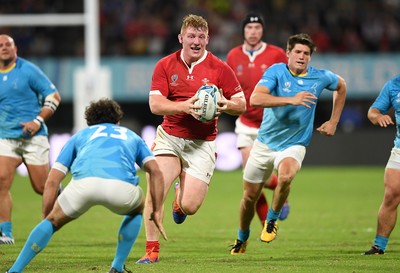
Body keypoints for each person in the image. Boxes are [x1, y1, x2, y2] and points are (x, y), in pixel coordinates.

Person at [5, 98, 167, 273]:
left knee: (52, 221)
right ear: (118, 121)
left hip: (83, 187)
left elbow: (52, 180)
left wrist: (47, 217)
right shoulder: (131, 135)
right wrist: (156, 210)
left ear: (89, 122)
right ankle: (117, 266)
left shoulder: (81, 135)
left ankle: (15, 270)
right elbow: (156, 172)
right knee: (137, 208)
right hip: (120, 189)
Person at [136, 14, 246, 264]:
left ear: (207, 39)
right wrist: (185, 106)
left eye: (200, 36)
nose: (196, 41)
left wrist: (225, 104)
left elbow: (241, 104)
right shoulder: (165, 64)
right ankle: (151, 251)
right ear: (181, 38)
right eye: (191, 36)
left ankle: (180, 199)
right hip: (170, 138)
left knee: (191, 206)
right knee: (154, 192)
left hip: (202, 143)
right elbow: (155, 104)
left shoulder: (220, 68)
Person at [230, 33, 347, 254]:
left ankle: (271, 221)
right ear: (288, 53)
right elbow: (255, 99)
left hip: (295, 143)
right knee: (249, 197)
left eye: (306, 53)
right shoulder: (276, 72)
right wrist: (291, 99)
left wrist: (333, 121)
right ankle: (242, 236)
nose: (302, 56)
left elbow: (341, 86)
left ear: (310, 57)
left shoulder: (320, 77)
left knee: (286, 176)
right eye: (298, 52)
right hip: (265, 143)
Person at [226, 12, 289, 228]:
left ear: (263, 30)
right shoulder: (233, 55)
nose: (253, 32)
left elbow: (288, 81)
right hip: (245, 122)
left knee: (259, 179)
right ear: (243, 31)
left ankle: (282, 188)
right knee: (250, 179)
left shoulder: (277, 54)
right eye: (249, 28)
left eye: (257, 28)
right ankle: (266, 223)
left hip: (271, 124)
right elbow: (228, 85)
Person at [0, 34, 62, 245]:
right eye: (0, 45)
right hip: (6, 137)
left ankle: (58, 193)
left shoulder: (28, 70)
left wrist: (37, 121)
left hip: (33, 137)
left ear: (15, 48)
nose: (4, 47)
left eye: (8, 44)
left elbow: (54, 96)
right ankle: (5, 233)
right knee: (1, 181)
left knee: (41, 187)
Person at [363, 75, 400, 255]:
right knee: (391, 195)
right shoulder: (394, 85)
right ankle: (379, 246)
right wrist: (378, 116)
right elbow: (373, 111)